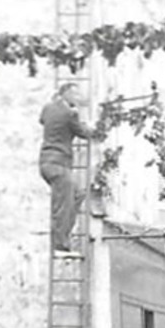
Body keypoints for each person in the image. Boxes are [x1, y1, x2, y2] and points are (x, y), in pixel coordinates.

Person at [39, 83, 93, 253]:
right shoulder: (69, 114)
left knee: (76, 194)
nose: (77, 99)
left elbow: (43, 120)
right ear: (67, 94)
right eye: (75, 95)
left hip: (46, 162)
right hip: (59, 163)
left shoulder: (48, 108)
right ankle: (60, 242)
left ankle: (63, 235)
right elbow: (84, 133)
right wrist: (91, 126)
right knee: (62, 205)